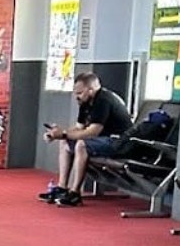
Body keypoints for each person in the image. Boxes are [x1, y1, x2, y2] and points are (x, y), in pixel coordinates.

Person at [39, 71, 133, 207]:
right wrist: (57, 134)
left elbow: (92, 133)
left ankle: (75, 194)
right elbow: (79, 128)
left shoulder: (104, 100)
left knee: (81, 145)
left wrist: (63, 133)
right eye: (75, 93)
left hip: (119, 143)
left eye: (79, 93)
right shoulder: (85, 101)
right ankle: (62, 188)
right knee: (65, 142)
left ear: (91, 90)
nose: (76, 96)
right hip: (103, 140)